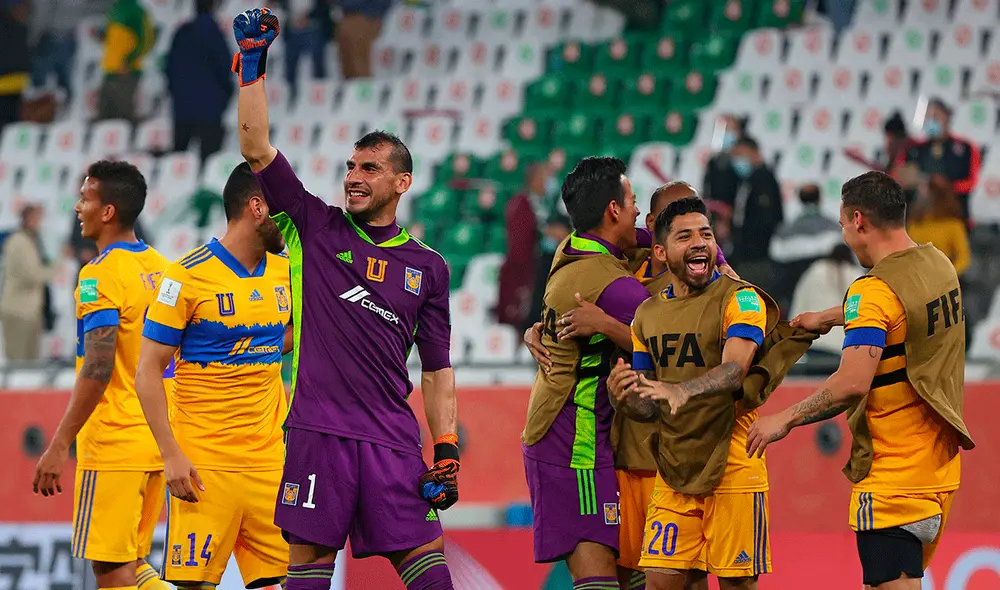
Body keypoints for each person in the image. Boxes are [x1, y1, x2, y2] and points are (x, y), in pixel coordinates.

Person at [232, 9, 459, 589]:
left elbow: (437, 371)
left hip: (392, 439)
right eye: (350, 166)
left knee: (431, 574)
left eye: (370, 168)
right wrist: (253, 67)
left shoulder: (429, 267)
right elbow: (256, 148)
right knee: (306, 568)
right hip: (317, 433)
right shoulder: (314, 226)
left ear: (402, 182)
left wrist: (448, 447)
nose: (354, 177)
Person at [747, 171, 975, 590]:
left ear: (858, 221)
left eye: (842, 226)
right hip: (938, 475)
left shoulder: (873, 293)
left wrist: (784, 418)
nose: (846, 236)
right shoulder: (936, 263)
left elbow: (852, 382)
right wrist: (829, 316)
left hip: (893, 483)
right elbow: (898, 309)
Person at [607, 196, 785, 590]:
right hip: (673, 472)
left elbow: (735, 370)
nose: (699, 243)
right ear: (661, 251)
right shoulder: (646, 316)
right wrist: (625, 399)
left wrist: (683, 390)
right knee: (660, 583)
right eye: (684, 236)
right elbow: (649, 404)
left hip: (733, 466)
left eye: (705, 234)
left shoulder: (740, 298)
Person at [135, 163, 291, 588]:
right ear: (257, 207)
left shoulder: (285, 271)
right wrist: (170, 455)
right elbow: (147, 372)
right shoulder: (185, 275)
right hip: (204, 466)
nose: (293, 215)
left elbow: (279, 338)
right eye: (284, 205)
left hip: (268, 463)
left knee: (287, 582)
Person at [32, 161, 172, 590]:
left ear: (107, 211)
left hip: (113, 443)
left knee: (110, 571)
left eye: (85, 197)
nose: (77, 207)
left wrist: (59, 445)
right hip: (154, 443)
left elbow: (97, 366)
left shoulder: (97, 276)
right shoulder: (163, 268)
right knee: (133, 565)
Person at [521, 156, 649, 590]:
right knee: (599, 580)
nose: (638, 212)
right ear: (614, 210)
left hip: (584, 435)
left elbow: (655, 237)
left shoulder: (575, 245)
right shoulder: (612, 284)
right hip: (572, 444)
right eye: (632, 202)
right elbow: (671, 344)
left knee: (631, 574)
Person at [166, 0, 234, 161]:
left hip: (182, 108)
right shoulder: (214, 32)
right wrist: (227, 93)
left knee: (179, 162)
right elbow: (224, 67)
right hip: (210, 108)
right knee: (209, 163)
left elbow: (169, 68)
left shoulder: (182, 33)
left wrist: (176, 95)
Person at [902, 98, 981, 223]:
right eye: (927, 117)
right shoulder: (915, 149)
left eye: (935, 116)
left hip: (953, 218)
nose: (931, 121)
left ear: (947, 117)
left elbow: (971, 182)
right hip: (920, 220)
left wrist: (943, 188)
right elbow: (903, 180)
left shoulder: (965, 149)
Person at [769, 183, 843, 309]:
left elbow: (775, 256)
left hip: (795, 292)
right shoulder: (835, 229)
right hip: (828, 292)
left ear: (799, 199)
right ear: (820, 199)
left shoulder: (785, 232)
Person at [0, 204, 58, 361]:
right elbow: (33, 274)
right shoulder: (20, 242)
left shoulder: (30, 241)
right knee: (18, 364)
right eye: (38, 219)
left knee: (31, 364)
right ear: (29, 219)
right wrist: (57, 268)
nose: (41, 223)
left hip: (30, 311)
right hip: (19, 312)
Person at [789, 244, 861, 358]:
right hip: (842, 349)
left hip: (813, 344)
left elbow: (798, 306)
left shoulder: (814, 271)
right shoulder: (857, 276)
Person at [97, 0, 155, 122]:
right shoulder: (115, 8)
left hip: (127, 71)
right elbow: (115, 38)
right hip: (110, 69)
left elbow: (147, 41)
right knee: (104, 115)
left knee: (123, 117)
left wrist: (128, 60)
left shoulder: (138, 11)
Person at [907, 174, 970, 277]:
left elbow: (964, 258)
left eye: (926, 192)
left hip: (941, 282)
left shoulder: (953, 225)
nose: (921, 196)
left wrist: (947, 275)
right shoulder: (915, 222)